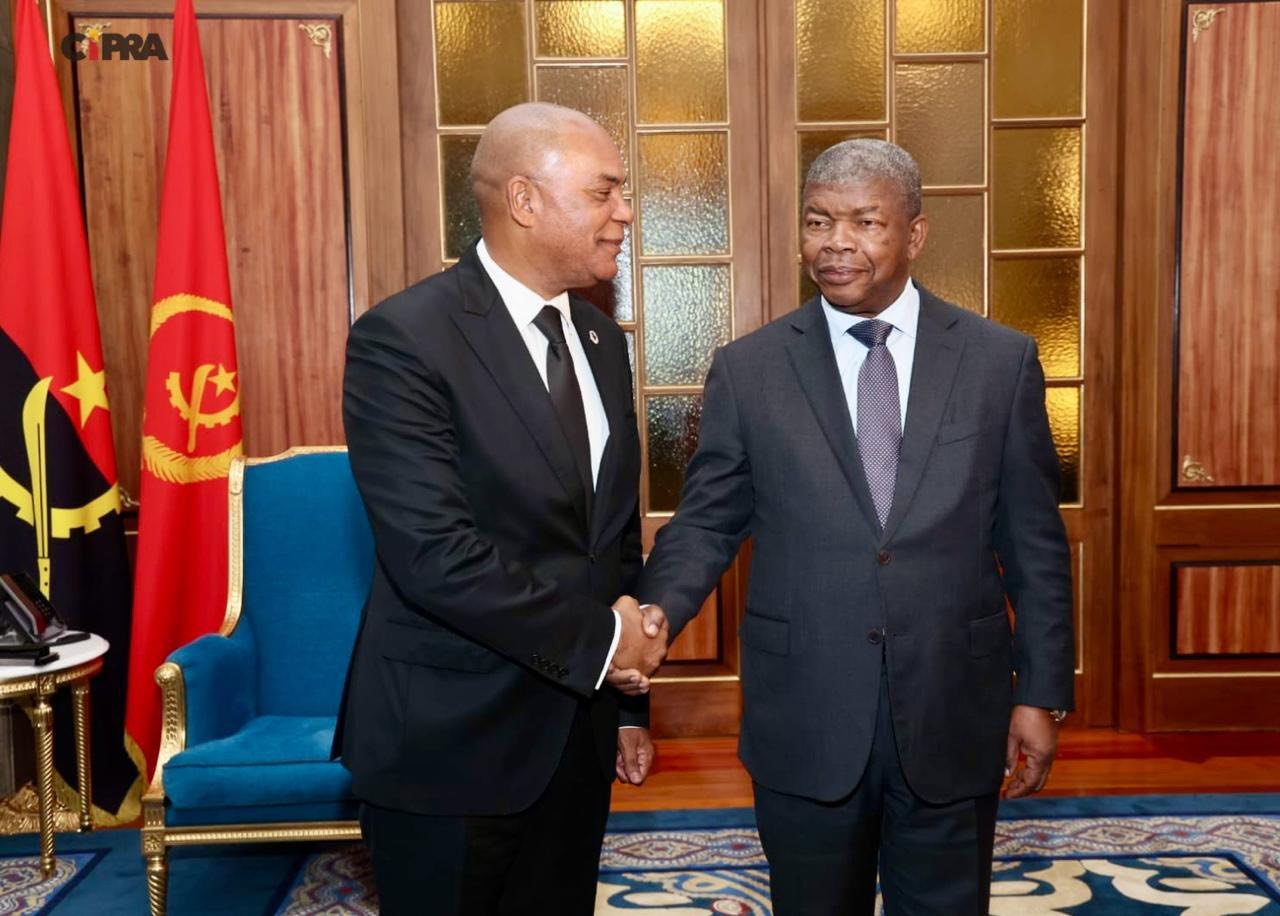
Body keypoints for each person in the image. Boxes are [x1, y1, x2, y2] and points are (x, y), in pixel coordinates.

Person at [633, 139, 1075, 915]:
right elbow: (706, 521)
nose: (836, 242)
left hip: (953, 704)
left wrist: (1040, 691)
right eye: (818, 221)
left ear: (915, 233)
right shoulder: (751, 369)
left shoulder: (998, 363)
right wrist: (655, 614)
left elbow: (1034, 545)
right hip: (804, 709)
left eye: (865, 222)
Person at [334, 102, 669, 915]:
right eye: (604, 192)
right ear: (525, 201)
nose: (625, 212)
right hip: (451, 743)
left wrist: (626, 701)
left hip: (576, 736)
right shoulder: (404, 339)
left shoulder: (599, 341)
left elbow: (610, 541)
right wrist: (604, 644)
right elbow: (435, 556)